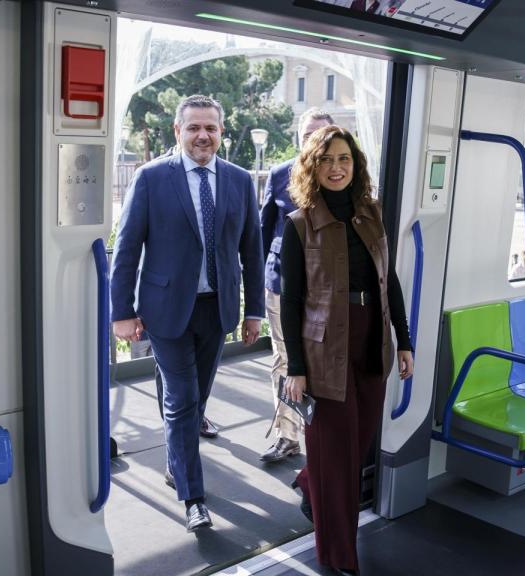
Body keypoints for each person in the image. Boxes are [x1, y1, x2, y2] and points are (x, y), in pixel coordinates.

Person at [110, 94, 264, 532]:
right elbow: (126, 249)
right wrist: (121, 311)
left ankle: (177, 456)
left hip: (217, 309)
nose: (203, 135)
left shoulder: (237, 180)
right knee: (183, 401)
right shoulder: (152, 177)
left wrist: (254, 310)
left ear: (221, 133)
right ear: (177, 132)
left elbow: (251, 251)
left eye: (211, 128)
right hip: (164, 309)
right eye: (194, 127)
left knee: (192, 394)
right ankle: (192, 495)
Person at [280, 126, 414, 575]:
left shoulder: (371, 214)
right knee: (337, 461)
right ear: (312, 167)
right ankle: (339, 557)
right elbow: (291, 301)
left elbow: (387, 280)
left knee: (353, 450)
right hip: (323, 350)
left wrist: (405, 338)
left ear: (355, 166)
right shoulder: (299, 223)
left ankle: (307, 480)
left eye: (344, 160)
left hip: (372, 340)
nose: (336, 168)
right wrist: (295, 367)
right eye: (327, 160)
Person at [258, 108, 334, 463]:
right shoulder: (278, 175)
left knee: (318, 363)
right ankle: (288, 436)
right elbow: (263, 231)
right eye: (307, 135)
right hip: (280, 285)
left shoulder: (340, 177)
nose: (312, 141)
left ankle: (316, 436)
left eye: (320, 134)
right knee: (284, 361)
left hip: (325, 291)